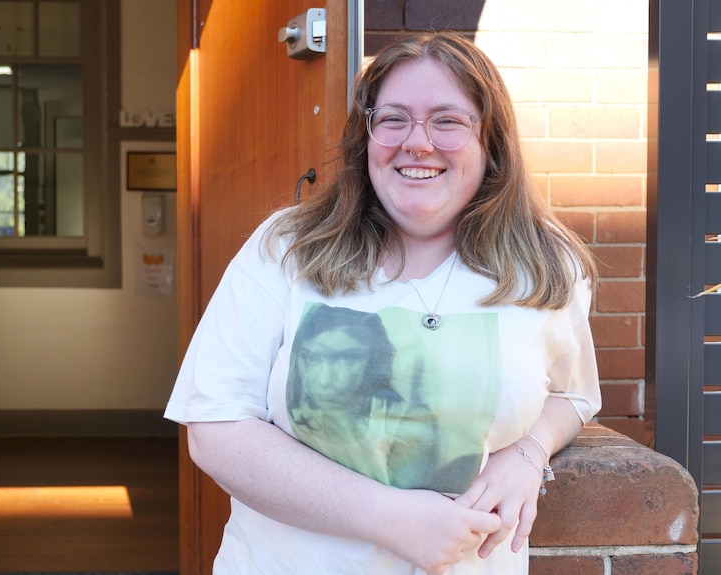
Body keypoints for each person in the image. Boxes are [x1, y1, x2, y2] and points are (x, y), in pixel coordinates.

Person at [164, 30, 601, 575]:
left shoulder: (545, 264)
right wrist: (391, 518)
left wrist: (528, 454)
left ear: (491, 143)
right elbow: (216, 429)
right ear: (365, 136)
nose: (417, 142)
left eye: (448, 120)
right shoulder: (286, 248)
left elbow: (573, 395)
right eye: (393, 118)